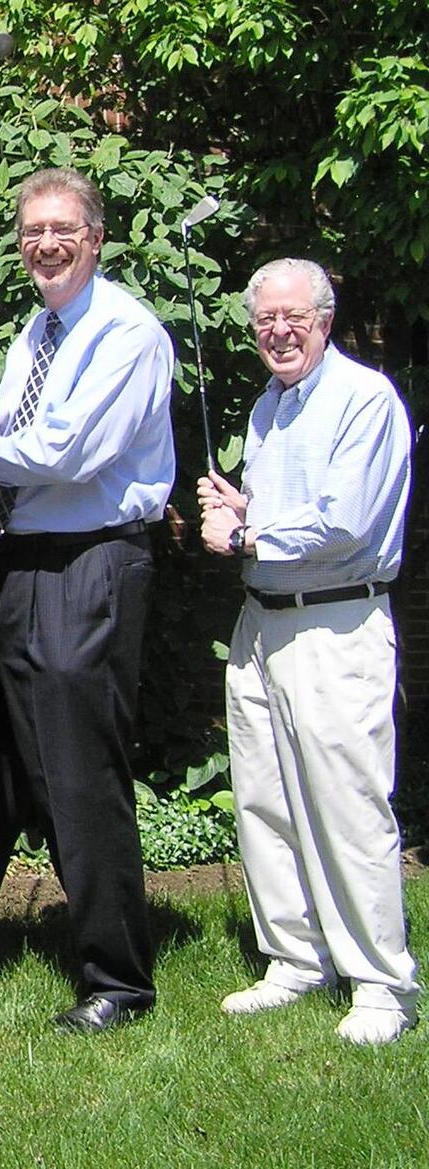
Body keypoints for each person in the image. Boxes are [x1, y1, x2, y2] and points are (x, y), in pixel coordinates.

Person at [0, 167, 175, 1033]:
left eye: (62, 228)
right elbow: (20, 432)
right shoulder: (39, 333)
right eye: (32, 229)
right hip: (18, 565)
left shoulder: (125, 334)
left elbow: (67, 452)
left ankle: (118, 977)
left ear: (96, 236)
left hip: (90, 564)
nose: (45, 243)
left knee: (78, 770)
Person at [198, 258, 419, 1045]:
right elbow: (294, 510)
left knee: (347, 805)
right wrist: (245, 505)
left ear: (325, 318)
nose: (279, 331)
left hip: (336, 624)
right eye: (265, 320)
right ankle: (296, 958)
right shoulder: (269, 406)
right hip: (264, 621)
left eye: (295, 316)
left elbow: (347, 522)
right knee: (265, 797)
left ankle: (383, 984)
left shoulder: (364, 400)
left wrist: (249, 532)